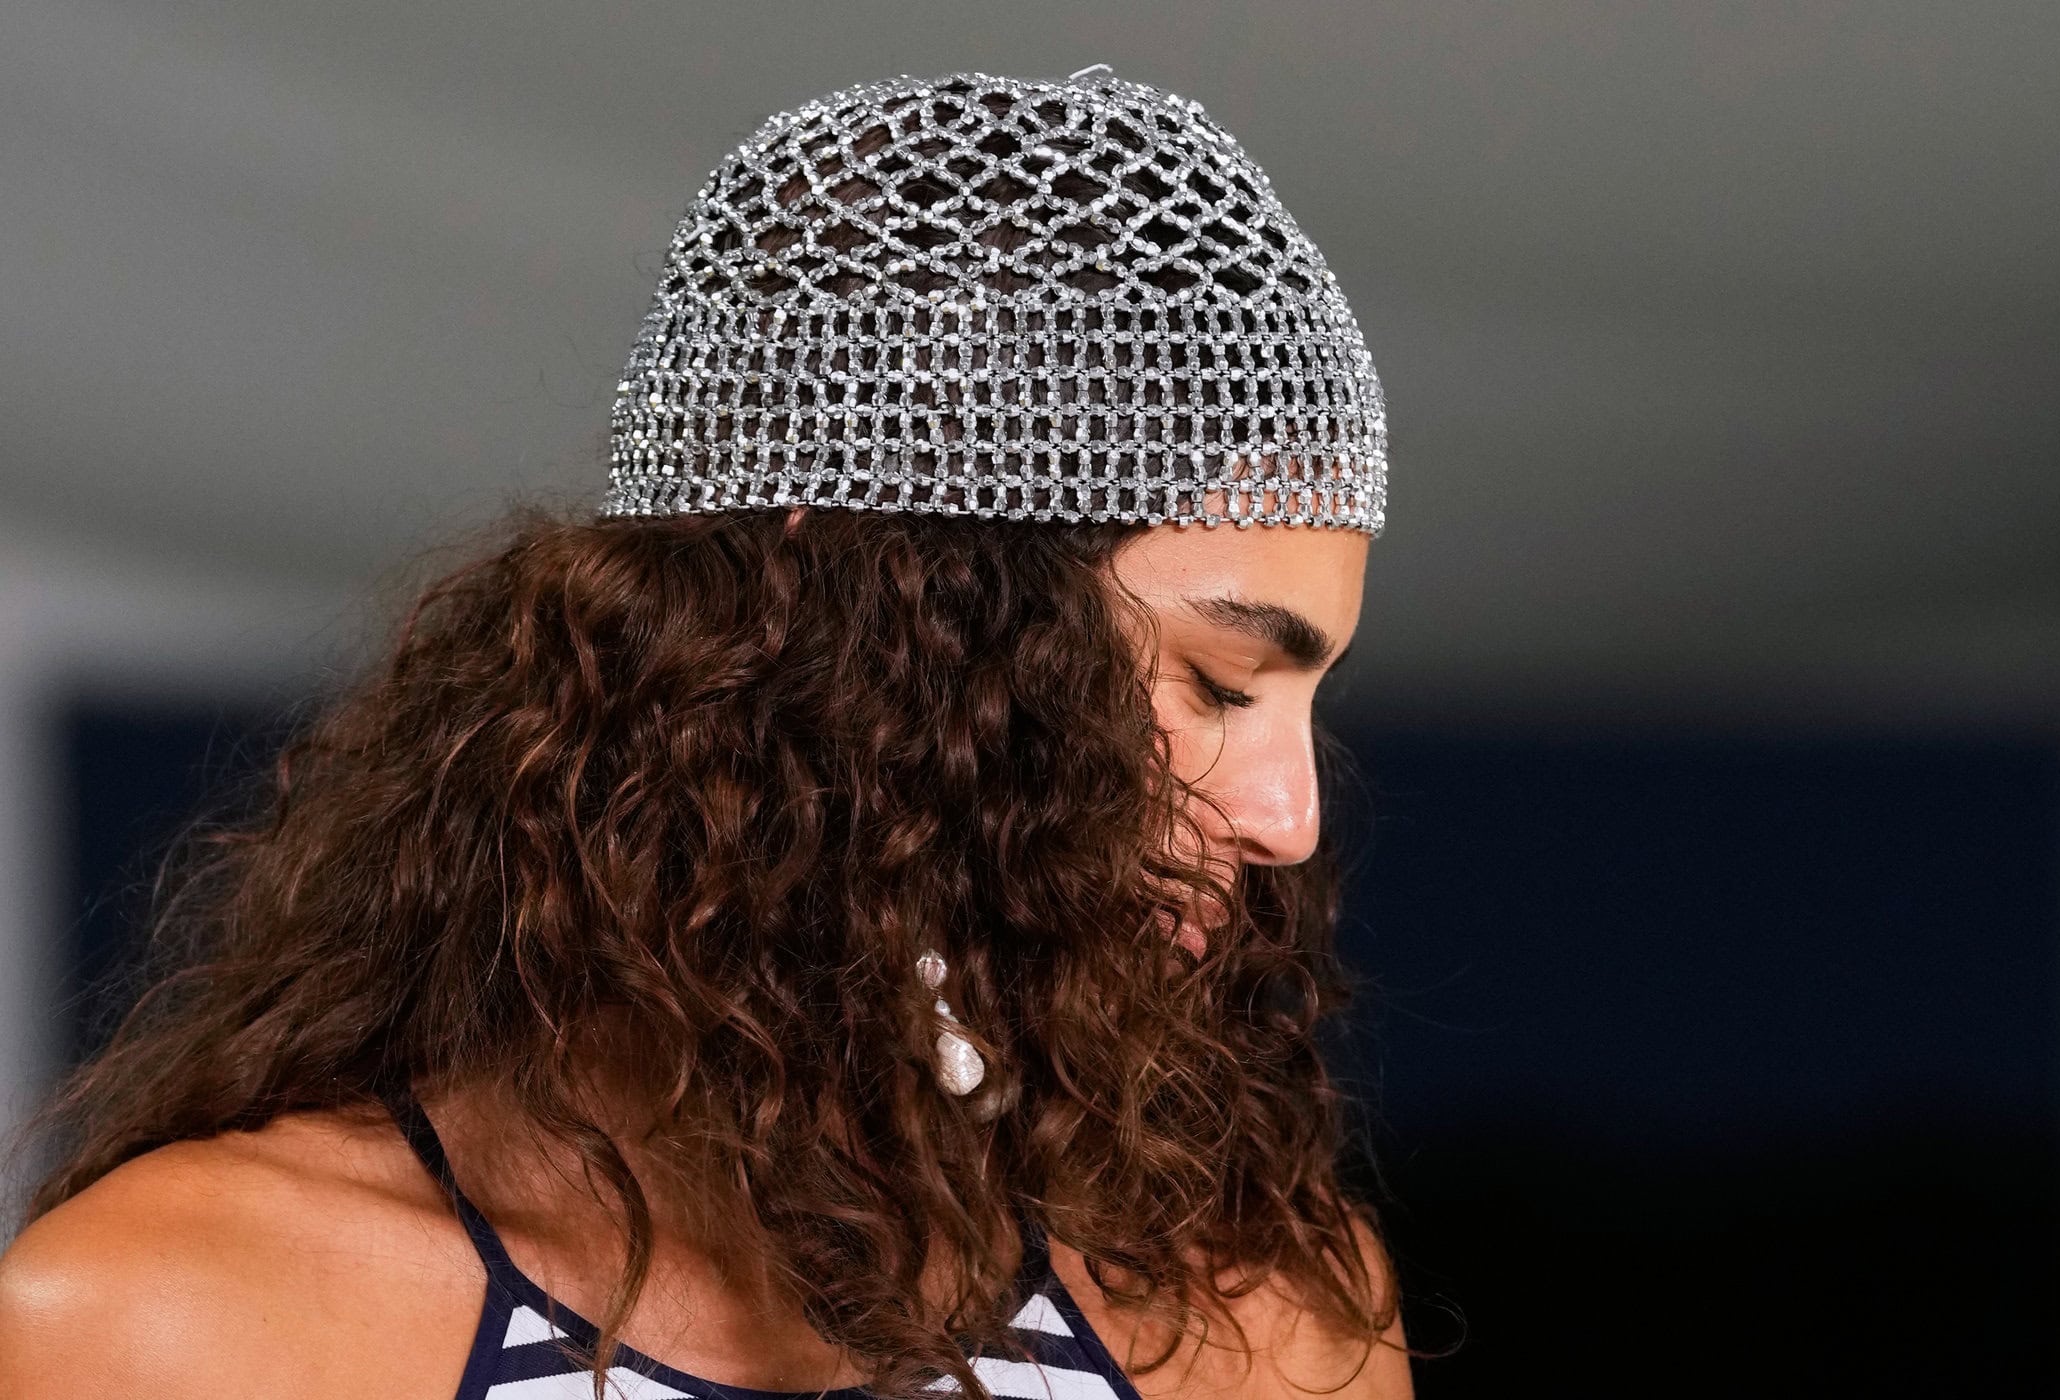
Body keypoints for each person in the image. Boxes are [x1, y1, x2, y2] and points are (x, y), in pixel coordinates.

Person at [0, 68, 1409, 1400]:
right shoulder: (177, 1323)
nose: (1289, 819)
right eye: (1220, 684)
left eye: (1306, 701)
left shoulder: (1255, 1324)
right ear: (864, 624)